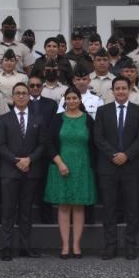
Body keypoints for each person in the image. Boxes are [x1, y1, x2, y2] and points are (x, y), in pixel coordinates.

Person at [94, 76, 139, 260]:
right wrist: (113, 155)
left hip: (131, 167)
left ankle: (130, 246)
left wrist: (126, 155)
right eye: (117, 88)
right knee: (109, 208)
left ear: (129, 89)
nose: (121, 91)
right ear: (112, 90)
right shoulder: (102, 111)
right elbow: (98, 137)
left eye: (124, 88)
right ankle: (110, 246)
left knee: (132, 208)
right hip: (108, 167)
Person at [43, 87, 97, 259]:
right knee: (64, 206)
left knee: (79, 206)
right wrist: (59, 163)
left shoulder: (88, 119)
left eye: (75, 98)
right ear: (64, 100)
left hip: (82, 166)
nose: (72, 101)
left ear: (80, 100)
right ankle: (65, 245)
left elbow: (94, 145)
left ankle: (76, 245)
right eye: (69, 98)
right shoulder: (57, 119)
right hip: (61, 166)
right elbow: (49, 143)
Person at [0, 82, 46, 260]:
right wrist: (16, 160)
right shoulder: (4, 119)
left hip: (31, 171)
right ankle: (6, 247)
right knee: (8, 211)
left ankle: (26, 247)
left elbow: (42, 144)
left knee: (26, 212)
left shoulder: (38, 118)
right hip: (9, 171)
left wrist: (29, 159)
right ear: (13, 96)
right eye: (18, 93)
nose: (22, 96)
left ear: (29, 96)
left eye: (25, 93)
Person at [27, 74, 60, 225]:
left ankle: (46, 217)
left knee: (45, 185)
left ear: (42, 87)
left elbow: (53, 128)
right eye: (31, 85)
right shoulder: (21, 102)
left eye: (38, 85)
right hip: (25, 151)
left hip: (46, 150)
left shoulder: (51, 104)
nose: (34, 88)